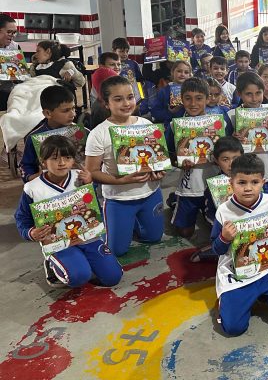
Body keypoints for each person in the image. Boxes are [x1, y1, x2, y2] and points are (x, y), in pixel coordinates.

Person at [15, 135, 123, 288]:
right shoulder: (32, 188)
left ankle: (82, 261)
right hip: (58, 243)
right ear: (43, 161)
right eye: (54, 158)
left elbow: (94, 211)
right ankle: (51, 262)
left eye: (67, 157)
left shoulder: (79, 178)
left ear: (73, 160)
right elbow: (22, 219)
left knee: (113, 277)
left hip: (88, 238)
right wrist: (30, 232)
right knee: (78, 277)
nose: (62, 163)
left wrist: (89, 186)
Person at [210, 154, 268, 336]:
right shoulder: (223, 211)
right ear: (231, 183)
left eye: (255, 182)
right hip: (236, 272)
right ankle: (227, 302)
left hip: (266, 266)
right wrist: (224, 238)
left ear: (263, 182)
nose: (248, 188)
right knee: (234, 329)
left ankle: (262, 295)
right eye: (242, 182)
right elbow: (216, 249)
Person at [84, 76, 165, 256]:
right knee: (117, 250)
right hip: (119, 199)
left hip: (150, 192)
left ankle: (134, 222)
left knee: (154, 237)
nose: (126, 103)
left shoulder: (147, 125)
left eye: (130, 97)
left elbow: (158, 159)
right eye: (118, 99)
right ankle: (117, 223)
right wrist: (122, 180)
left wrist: (159, 171)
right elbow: (92, 172)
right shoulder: (98, 134)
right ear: (106, 103)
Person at [166, 78, 220, 238]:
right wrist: (179, 163)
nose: (193, 103)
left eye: (199, 98)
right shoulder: (174, 126)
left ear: (208, 98)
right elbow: (167, 156)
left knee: (215, 229)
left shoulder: (218, 124)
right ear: (181, 99)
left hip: (213, 182)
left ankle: (204, 208)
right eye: (188, 98)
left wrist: (221, 159)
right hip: (189, 184)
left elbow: (229, 150)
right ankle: (175, 199)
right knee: (185, 233)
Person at [229, 72, 268, 195]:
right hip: (245, 174)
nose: (254, 99)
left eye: (258, 93)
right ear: (239, 94)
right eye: (249, 94)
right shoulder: (232, 115)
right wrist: (233, 140)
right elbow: (228, 148)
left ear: (263, 91)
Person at [189, 135, 244, 263]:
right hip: (226, 227)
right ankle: (210, 251)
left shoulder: (252, 178)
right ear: (216, 161)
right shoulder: (214, 186)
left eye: (235, 158)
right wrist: (219, 226)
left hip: (249, 223)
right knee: (231, 248)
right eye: (225, 159)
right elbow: (208, 214)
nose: (231, 164)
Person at [21, 85, 80, 182]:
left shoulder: (83, 133)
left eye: (73, 108)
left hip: (80, 188)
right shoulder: (33, 138)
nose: (73, 114)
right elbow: (26, 166)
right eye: (66, 110)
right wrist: (36, 177)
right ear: (48, 113)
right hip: (49, 190)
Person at [149, 60, 192, 125]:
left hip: (189, 126)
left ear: (189, 75)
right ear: (172, 72)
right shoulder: (163, 91)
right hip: (170, 128)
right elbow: (155, 113)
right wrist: (170, 112)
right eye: (179, 71)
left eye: (186, 72)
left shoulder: (193, 91)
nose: (182, 74)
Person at [0, 13, 20, 110]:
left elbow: (19, 75)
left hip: (9, 90)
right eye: (9, 32)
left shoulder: (14, 47)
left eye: (14, 33)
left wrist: (17, 75)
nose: (12, 36)